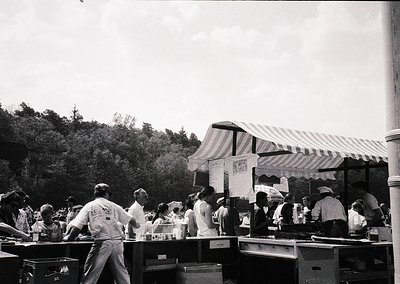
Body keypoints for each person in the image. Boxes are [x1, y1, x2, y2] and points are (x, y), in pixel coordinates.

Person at [63, 183, 139, 284]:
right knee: (121, 274)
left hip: (102, 242)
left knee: (90, 273)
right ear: (107, 194)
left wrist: (68, 238)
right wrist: (139, 224)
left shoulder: (90, 205)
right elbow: (133, 222)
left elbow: (77, 226)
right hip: (117, 242)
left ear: (95, 193)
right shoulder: (114, 206)